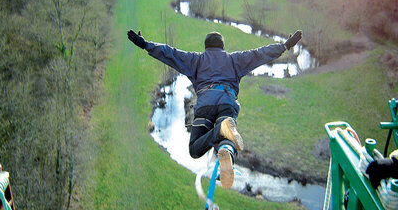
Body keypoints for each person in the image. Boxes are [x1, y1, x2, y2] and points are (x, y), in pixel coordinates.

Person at [127, 29, 302, 188]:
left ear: (206, 47)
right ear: (222, 47)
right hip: (227, 101)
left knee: (195, 150)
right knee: (227, 136)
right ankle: (225, 145)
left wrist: (145, 44)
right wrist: (284, 46)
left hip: (205, 105)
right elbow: (259, 54)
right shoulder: (234, 59)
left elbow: (170, 53)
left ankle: (221, 134)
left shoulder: (195, 60)